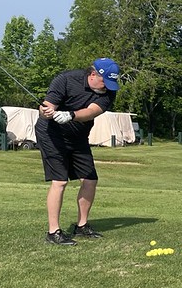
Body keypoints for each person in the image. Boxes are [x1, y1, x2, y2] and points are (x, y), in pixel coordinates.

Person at [35, 58, 121, 246]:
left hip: (78, 136)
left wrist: (70, 115)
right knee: (60, 181)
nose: (107, 87)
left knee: (90, 179)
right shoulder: (65, 79)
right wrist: (48, 112)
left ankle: (81, 226)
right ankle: (53, 232)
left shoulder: (109, 92)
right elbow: (46, 108)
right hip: (52, 134)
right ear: (92, 74)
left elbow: (91, 112)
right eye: (104, 82)